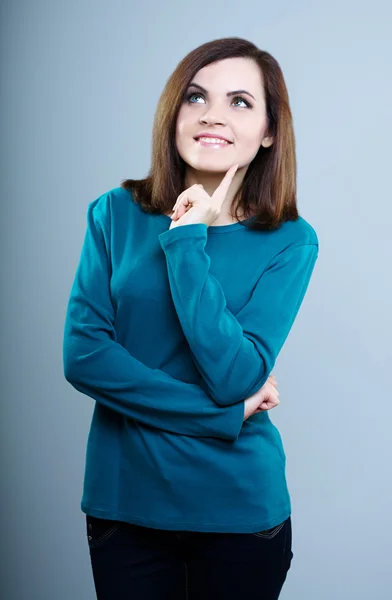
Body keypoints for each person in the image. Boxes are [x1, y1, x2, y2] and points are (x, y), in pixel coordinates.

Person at [63, 36, 319, 600]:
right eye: (196, 97)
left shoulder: (290, 242)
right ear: (174, 113)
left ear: (269, 132)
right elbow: (84, 357)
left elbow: (235, 374)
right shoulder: (116, 212)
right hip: (125, 506)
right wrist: (221, 417)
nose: (213, 116)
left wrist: (186, 242)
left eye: (241, 102)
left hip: (239, 513)